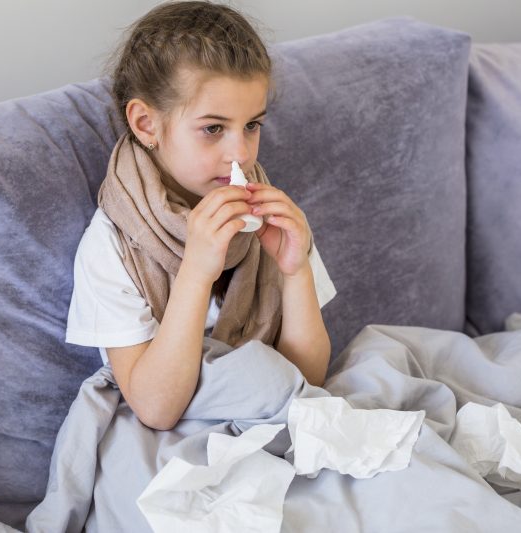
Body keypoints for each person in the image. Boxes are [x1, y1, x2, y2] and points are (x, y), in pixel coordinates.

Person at [65, 1, 336, 431]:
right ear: (146, 124)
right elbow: (156, 410)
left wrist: (295, 269)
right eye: (213, 129)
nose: (241, 154)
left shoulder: (270, 216)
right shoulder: (113, 245)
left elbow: (308, 381)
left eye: (252, 125)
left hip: (274, 419)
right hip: (173, 436)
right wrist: (195, 271)